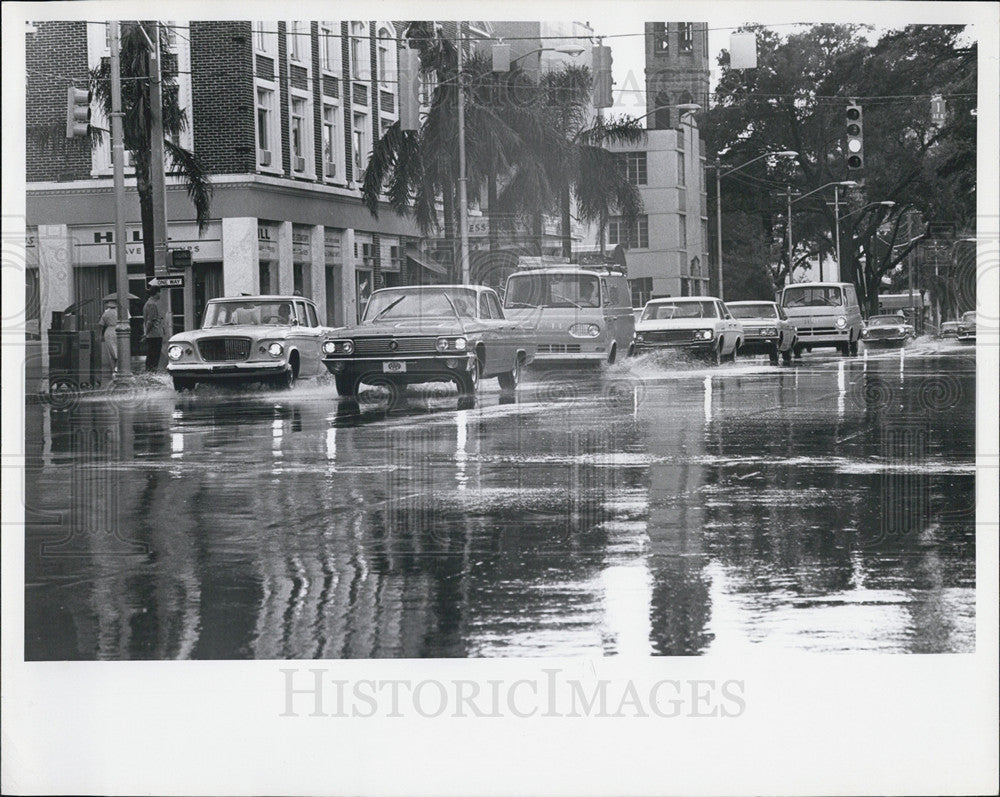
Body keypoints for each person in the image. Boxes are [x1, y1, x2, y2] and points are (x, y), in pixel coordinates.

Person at [142, 280, 165, 372]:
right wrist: (146, 333)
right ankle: (151, 372)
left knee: (151, 354)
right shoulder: (152, 304)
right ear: (156, 293)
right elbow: (150, 321)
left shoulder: (148, 303)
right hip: (155, 334)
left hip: (152, 334)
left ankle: (150, 371)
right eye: (159, 292)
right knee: (154, 355)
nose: (160, 294)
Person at [99, 298, 119, 379]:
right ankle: (117, 368)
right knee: (120, 350)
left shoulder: (106, 313)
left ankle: (113, 370)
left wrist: (100, 335)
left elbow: (101, 324)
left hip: (109, 331)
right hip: (119, 330)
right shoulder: (121, 311)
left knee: (110, 352)